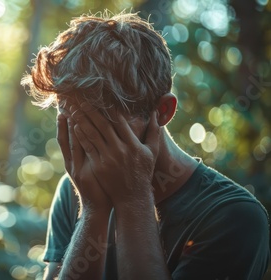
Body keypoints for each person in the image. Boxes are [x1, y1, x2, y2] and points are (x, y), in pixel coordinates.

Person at [21, 11, 270, 280]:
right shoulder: (75, 192)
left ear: (162, 111)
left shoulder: (233, 218)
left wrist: (133, 199)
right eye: (70, 122)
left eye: (101, 127)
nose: (82, 141)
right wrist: (93, 210)